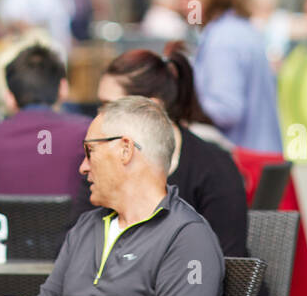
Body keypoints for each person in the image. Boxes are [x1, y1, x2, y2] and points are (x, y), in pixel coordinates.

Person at [0, 96, 224, 296]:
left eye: (89, 151)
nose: (83, 167)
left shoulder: (187, 237)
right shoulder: (87, 226)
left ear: (125, 150)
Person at [96, 44, 247, 257]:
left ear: (150, 107)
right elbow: (79, 244)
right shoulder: (100, 162)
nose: (100, 117)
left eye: (110, 106)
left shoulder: (213, 167)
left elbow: (227, 260)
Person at [165, 0, 282, 153]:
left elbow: (226, 111)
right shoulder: (239, 28)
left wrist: (179, 93)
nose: (182, 4)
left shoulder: (222, 39)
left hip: (244, 166)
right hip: (263, 159)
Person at [0, 44, 91, 204]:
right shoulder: (87, 134)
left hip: (3, 229)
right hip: (74, 228)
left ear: (9, 98)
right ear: (63, 88)